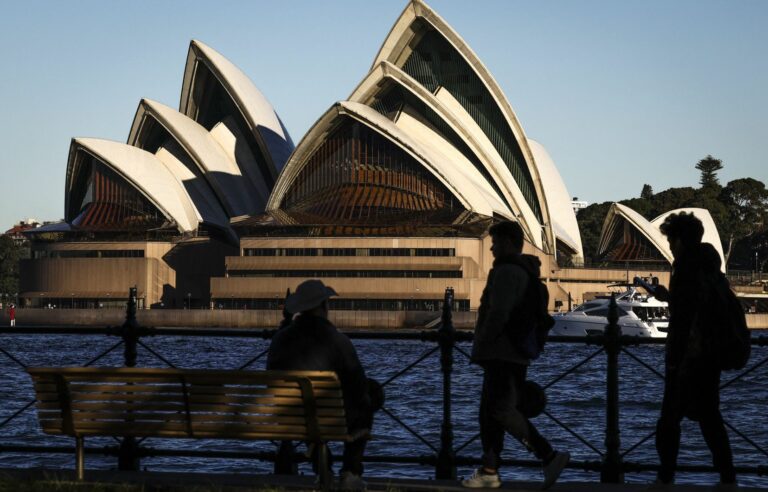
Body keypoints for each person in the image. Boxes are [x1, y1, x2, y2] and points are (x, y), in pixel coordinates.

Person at [462, 221, 569, 490]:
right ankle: (489, 469)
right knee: (489, 413)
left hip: (502, 352)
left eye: (496, 242)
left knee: (500, 409)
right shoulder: (525, 272)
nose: (493, 248)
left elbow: (499, 313)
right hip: (514, 351)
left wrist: (483, 343)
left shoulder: (508, 272)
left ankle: (548, 455)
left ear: (510, 242)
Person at [267, 279, 382, 490]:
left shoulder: (280, 339)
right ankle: (351, 471)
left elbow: (271, 381)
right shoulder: (337, 340)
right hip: (333, 416)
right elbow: (357, 384)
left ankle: (323, 470)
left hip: (291, 415)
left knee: (312, 417)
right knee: (371, 393)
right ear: (323, 306)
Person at [653, 212, 736, 485]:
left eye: (670, 240)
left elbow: (687, 316)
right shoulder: (710, 267)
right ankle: (728, 476)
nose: (669, 246)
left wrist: (677, 359)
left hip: (689, 356)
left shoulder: (685, 268)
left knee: (668, 422)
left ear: (679, 240)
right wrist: (670, 299)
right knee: (710, 417)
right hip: (711, 354)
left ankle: (666, 477)